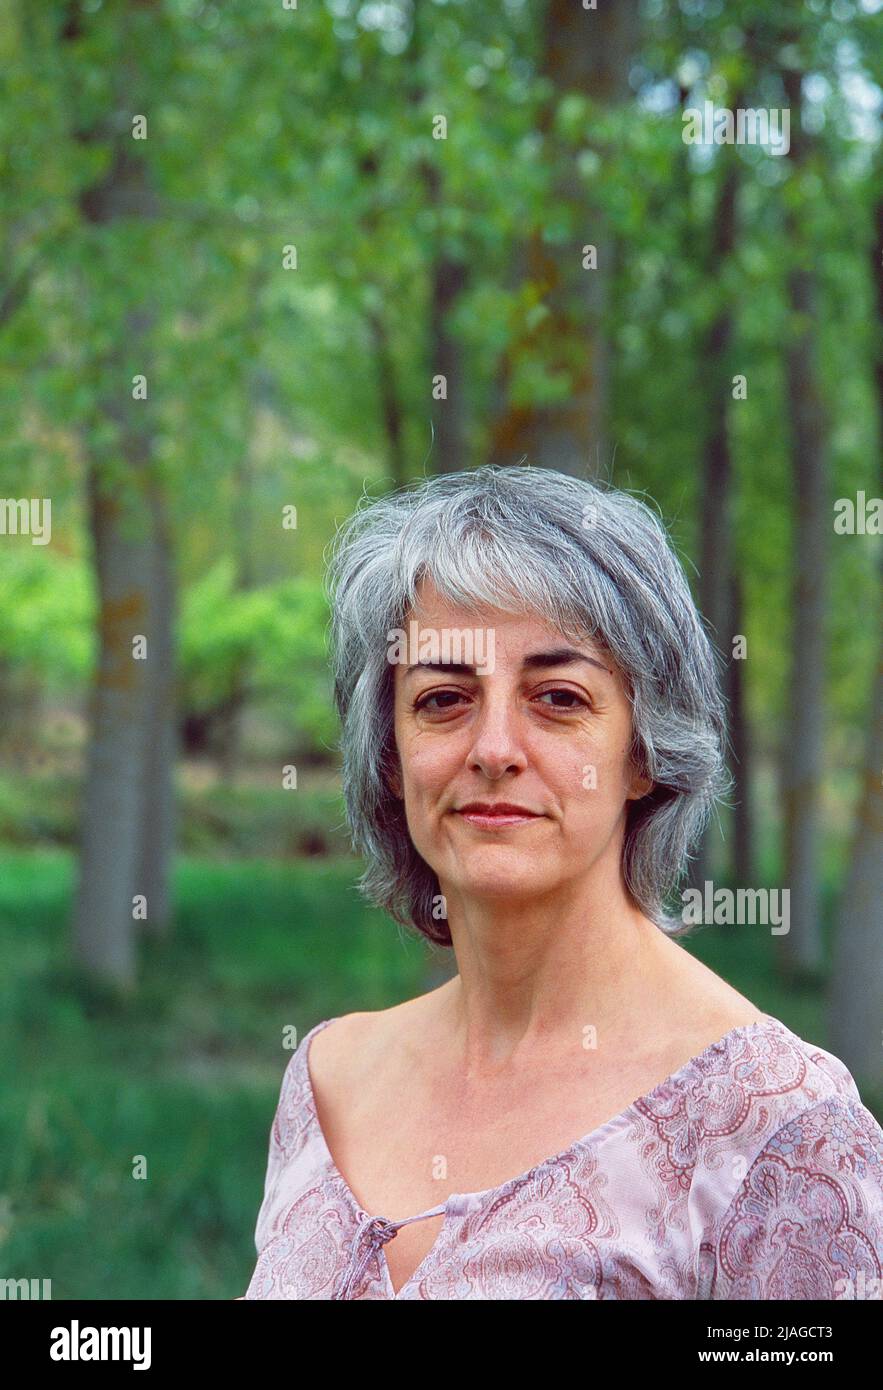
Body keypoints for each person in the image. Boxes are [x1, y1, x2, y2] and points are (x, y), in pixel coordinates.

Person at [241, 466, 883, 1300]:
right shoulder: (326, 1078)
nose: (494, 747)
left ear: (643, 752)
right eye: (442, 698)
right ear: (391, 758)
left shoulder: (773, 1125)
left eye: (556, 697)